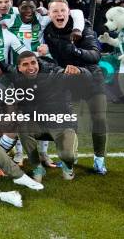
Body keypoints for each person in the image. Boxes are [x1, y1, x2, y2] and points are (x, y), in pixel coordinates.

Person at [41, 0, 108, 175]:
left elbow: (95, 56)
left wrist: (75, 50)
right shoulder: (48, 31)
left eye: (62, 10)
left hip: (91, 78)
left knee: (99, 119)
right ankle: (72, 155)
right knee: (70, 122)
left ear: (68, 11)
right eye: (55, 11)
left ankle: (99, 160)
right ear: (49, 14)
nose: (59, 14)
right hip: (68, 80)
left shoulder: (84, 28)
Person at [10, 51, 84, 182]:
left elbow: (80, 78)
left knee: (68, 155)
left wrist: (80, 71)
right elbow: (4, 67)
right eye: (25, 64)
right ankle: (37, 167)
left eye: (33, 62)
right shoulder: (18, 78)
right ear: (19, 68)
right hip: (40, 125)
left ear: (37, 62)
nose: (31, 67)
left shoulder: (54, 74)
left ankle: (68, 165)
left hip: (62, 125)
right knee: (22, 125)